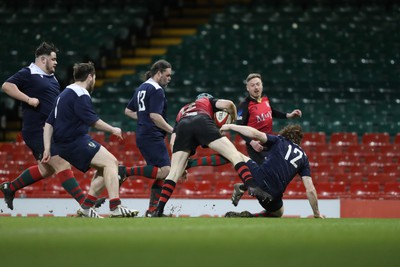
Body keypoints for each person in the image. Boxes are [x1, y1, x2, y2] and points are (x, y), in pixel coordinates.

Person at [0, 42, 104, 211]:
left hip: (49, 130)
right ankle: (85, 203)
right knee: (62, 164)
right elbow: (6, 86)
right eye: (53, 59)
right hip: (36, 130)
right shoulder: (29, 72)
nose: (56, 62)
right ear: (43, 59)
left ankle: (10, 187)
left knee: (45, 170)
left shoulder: (52, 78)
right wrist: (28, 99)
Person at [150, 93, 272, 217]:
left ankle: (159, 209)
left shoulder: (183, 110)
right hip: (202, 121)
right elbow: (229, 104)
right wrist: (233, 119)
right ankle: (251, 185)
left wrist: (181, 164)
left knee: (174, 172)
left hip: (183, 126)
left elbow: (172, 142)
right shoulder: (206, 100)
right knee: (234, 155)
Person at [42, 62, 138, 218]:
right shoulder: (80, 93)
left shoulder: (63, 94)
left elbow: (48, 123)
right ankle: (115, 207)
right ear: (90, 77)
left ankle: (87, 207)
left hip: (63, 143)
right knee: (111, 163)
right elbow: (93, 121)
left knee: (105, 167)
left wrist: (47, 148)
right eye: (94, 77)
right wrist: (113, 129)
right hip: (74, 140)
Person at [221, 123, 324, 218]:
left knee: (236, 155)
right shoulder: (304, 158)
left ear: (285, 134)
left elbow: (255, 134)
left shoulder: (280, 140)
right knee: (279, 212)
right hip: (272, 196)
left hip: (259, 181)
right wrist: (316, 213)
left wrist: (231, 126)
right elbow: (310, 189)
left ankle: (215, 144)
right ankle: (251, 216)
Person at [121, 59, 175, 217]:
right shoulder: (157, 90)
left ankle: (153, 211)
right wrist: (173, 130)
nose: (169, 78)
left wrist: (143, 118)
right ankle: (125, 171)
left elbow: (128, 111)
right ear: (158, 73)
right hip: (152, 135)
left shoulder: (142, 87)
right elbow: (155, 116)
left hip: (143, 133)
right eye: (167, 75)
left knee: (161, 172)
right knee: (166, 171)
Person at [237, 73, 302, 165]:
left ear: (262, 85)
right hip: (256, 146)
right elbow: (239, 128)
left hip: (269, 142)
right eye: (252, 85)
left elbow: (272, 111)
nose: (256, 87)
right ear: (248, 88)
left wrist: (289, 115)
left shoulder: (265, 99)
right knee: (266, 171)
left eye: (258, 84)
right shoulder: (244, 105)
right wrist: (251, 143)